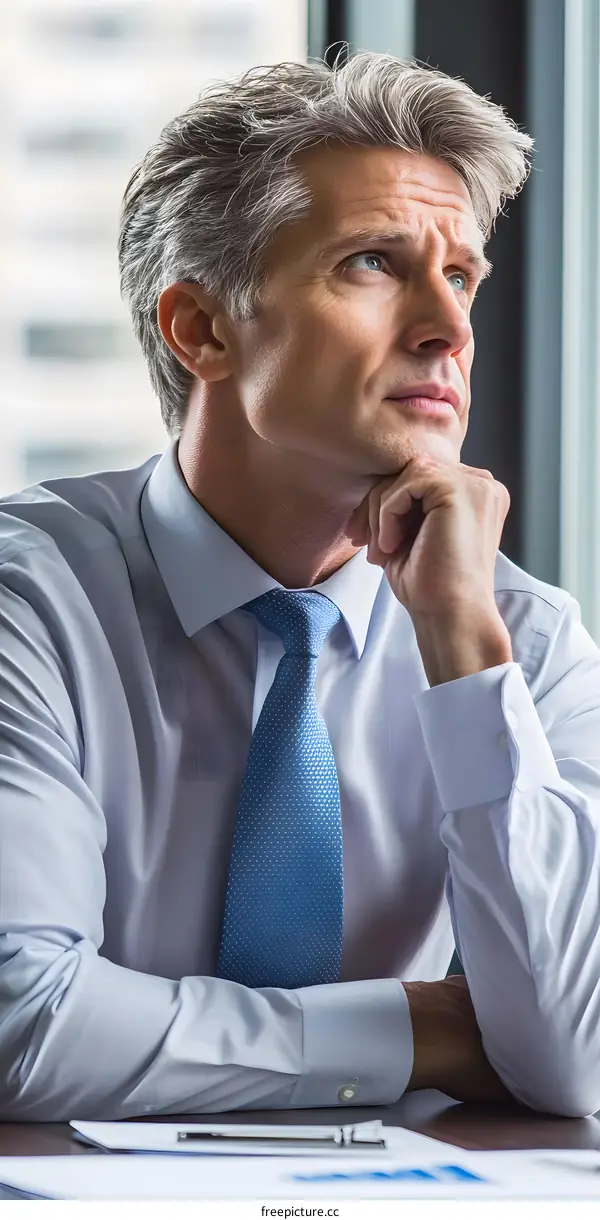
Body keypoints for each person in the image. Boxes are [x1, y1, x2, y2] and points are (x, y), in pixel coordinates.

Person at [1, 51, 599, 1124]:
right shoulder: (30, 607)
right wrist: (432, 1027)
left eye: (461, 275)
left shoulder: (525, 639)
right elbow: (22, 1020)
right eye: (375, 262)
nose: (450, 328)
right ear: (203, 329)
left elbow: (578, 1052)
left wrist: (464, 642)